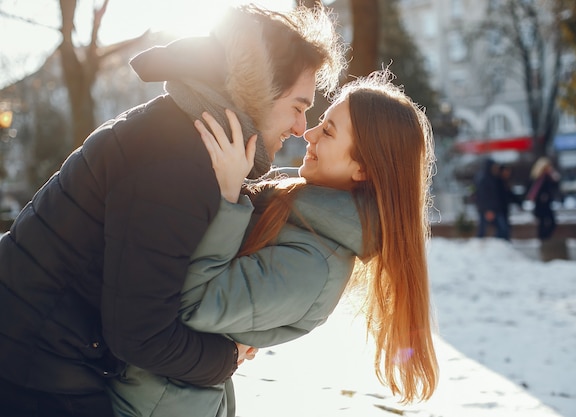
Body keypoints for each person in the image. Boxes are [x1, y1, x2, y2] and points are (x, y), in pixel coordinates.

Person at [0, 5, 345, 417]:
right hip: (35, 366)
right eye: (297, 106)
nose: (298, 127)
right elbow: (139, 334)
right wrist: (227, 357)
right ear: (258, 90)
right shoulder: (177, 163)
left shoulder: (182, 133)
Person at [107, 71, 439, 417]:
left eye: (327, 131)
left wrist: (227, 195)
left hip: (152, 404)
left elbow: (192, 302)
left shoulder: (315, 267)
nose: (308, 133)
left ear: (363, 169)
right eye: (320, 121)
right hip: (143, 383)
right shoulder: (293, 209)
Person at [527, 157, 560, 240]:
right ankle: (543, 238)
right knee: (543, 222)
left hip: (547, 203)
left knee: (550, 222)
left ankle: (545, 237)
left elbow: (555, 187)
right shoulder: (537, 178)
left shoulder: (549, 177)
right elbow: (533, 190)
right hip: (540, 204)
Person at [473, 158, 508, 239]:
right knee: (485, 230)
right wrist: (488, 210)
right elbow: (483, 196)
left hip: (492, 208)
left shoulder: (491, 177)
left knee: (500, 229)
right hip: (488, 209)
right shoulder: (484, 179)